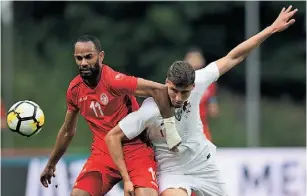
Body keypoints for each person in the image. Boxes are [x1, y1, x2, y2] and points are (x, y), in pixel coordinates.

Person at [105, 6, 297, 196]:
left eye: (185, 93)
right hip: (173, 173)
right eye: (174, 91)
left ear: (193, 87)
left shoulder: (200, 79)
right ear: (166, 83)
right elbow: (113, 136)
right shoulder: (150, 110)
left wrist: (271, 29)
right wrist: (126, 178)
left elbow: (234, 56)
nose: (178, 98)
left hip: (204, 166)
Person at [40, 35, 180, 196]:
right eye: (79, 58)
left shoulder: (114, 81)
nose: (83, 63)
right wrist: (51, 164)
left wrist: (171, 130)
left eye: (88, 57)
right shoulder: (74, 90)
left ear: (101, 56)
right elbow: (67, 131)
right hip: (103, 154)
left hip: (135, 150)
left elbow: (159, 90)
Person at [184, 48, 219, 141]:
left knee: (207, 151)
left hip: (202, 125)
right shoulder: (182, 80)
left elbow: (211, 99)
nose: (195, 61)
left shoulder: (209, 81)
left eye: (197, 58)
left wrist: (213, 105)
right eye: (192, 59)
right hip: (185, 125)